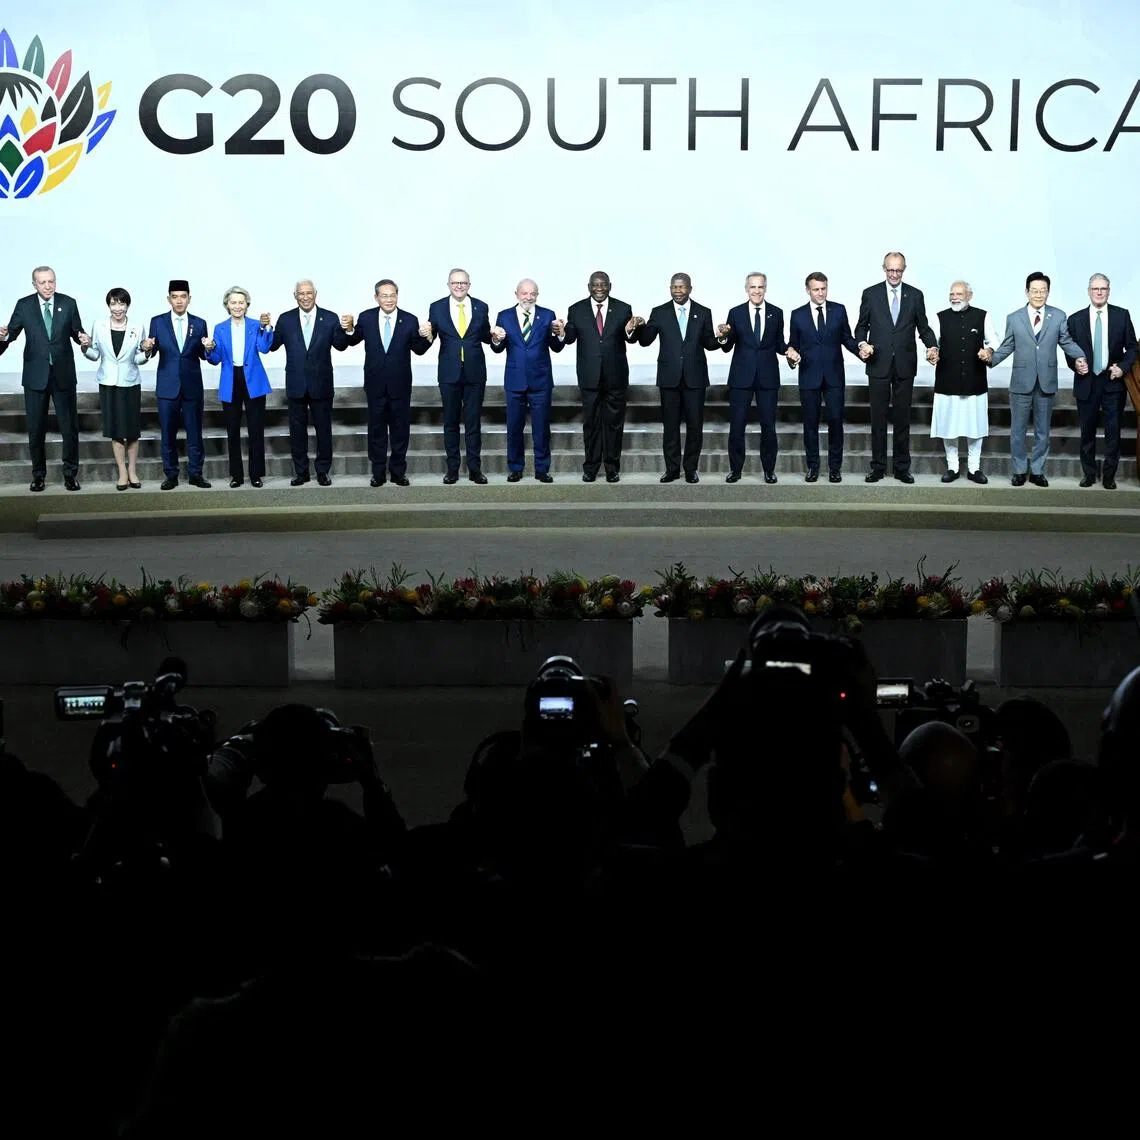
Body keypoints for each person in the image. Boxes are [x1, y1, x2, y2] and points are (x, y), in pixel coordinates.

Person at [988, 272, 1086, 487]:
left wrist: (1080, 356)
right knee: (1018, 431)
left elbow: (1066, 341)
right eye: (1034, 291)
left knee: (1043, 431)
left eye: (1043, 291)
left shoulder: (1059, 316)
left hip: (1046, 382)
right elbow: (1007, 346)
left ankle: (1038, 470)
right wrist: (990, 359)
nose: (1039, 295)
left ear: (1048, 292)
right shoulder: (1014, 318)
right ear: (1026, 292)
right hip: (1021, 382)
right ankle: (1019, 470)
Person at [854, 251, 938, 483]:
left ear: (904, 269)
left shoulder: (915, 295)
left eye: (898, 270)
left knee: (902, 420)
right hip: (878, 364)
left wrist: (932, 346)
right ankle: (878, 467)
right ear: (884, 269)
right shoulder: (870, 294)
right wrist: (862, 344)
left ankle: (902, 468)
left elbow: (924, 327)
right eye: (890, 270)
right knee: (878, 420)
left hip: (904, 365)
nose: (894, 274)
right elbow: (861, 327)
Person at [0, 265, 86, 492]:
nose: (48, 286)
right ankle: (38, 475)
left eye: (51, 281)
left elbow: (77, 333)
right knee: (36, 429)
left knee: (69, 429)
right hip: (35, 376)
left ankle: (70, 475)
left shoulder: (69, 303)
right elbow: (11, 334)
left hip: (63, 375)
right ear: (34, 284)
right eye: (43, 282)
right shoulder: (24, 305)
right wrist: (4, 336)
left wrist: (83, 338)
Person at [638, 272, 726, 483]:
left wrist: (721, 337)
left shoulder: (703, 312)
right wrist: (639, 327)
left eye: (682, 287)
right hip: (669, 378)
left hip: (695, 379)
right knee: (670, 427)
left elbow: (708, 343)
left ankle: (690, 469)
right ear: (670, 289)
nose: (678, 291)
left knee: (695, 426)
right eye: (674, 287)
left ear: (690, 288)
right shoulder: (659, 312)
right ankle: (672, 469)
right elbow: (645, 341)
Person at [344, 279, 432, 486]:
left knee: (400, 430)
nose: (389, 299)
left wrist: (429, 337)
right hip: (375, 385)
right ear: (376, 297)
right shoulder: (366, 318)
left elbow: (418, 349)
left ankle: (398, 472)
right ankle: (378, 472)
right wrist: (348, 329)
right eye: (384, 295)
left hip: (400, 385)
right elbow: (352, 340)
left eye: (392, 295)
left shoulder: (409, 320)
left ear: (397, 296)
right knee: (376, 430)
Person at [562, 271, 641, 483]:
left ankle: (612, 468)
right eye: (595, 285)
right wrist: (561, 332)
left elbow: (630, 339)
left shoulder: (623, 308)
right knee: (591, 425)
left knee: (614, 425)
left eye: (603, 284)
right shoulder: (576, 309)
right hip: (589, 378)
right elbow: (569, 338)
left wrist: (630, 330)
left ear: (610, 286)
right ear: (589, 287)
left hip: (615, 377)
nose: (599, 288)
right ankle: (591, 468)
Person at [270, 280, 349, 487]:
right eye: (301, 293)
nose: (305, 297)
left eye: (309, 293)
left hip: (321, 384)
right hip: (296, 384)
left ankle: (323, 471)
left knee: (324, 430)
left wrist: (347, 330)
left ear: (316, 294)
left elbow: (340, 346)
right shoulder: (285, 319)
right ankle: (301, 472)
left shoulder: (330, 318)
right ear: (294, 295)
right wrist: (265, 328)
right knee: (297, 431)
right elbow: (272, 345)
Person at [717, 272, 794, 484]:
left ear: (765, 288)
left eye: (760, 287)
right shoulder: (736, 313)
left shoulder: (776, 313)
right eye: (753, 287)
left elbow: (779, 343)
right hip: (741, 378)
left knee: (768, 426)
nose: (757, 291)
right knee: (737, 426)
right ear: (746, 289)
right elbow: (728, 346)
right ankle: (735, 470)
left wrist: (789, 350)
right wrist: (723, 336)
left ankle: (769, 470)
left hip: (767, 378)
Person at [1065, 274, 1137, 490]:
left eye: (1103, 289)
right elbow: (1069, 350)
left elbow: (1133, 348)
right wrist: (1075, 364)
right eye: (1095, 288)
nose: (1099, 292)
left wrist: (1122, 367)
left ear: (1109, 291)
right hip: (1086, 382)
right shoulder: (1075, 319)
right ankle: (1088, 474)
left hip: (1112, 381)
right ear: (1088, 291)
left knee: (1112, 432)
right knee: (1087, 431)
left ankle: (1109, 476)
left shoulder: (1121, 316)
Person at [490, 279, 566, 483]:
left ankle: (542, 469)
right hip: (515, 381)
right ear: (516, 294)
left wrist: (561, 335)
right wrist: (496, 339)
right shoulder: (504, 316)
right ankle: (515, 468)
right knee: (514, 428)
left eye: (532, 293)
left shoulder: (548, 315)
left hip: (540, 381)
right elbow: (497, 347)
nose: (528, 297)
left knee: (541, 428)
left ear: (537, 295)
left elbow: (556, 347)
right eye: (524, 293)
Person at [787, 272, 859, 483]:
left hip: (834, 376)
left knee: (836, 421)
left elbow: (847, 338)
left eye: (823, 289)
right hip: (809, 376)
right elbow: (793, 345)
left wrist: (861, 349)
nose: (820, 293)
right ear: (807, 290)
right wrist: (792, 358)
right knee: (810, 424)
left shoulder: (839, 310)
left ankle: (834, 468)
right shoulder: (797, 314)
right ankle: (813, 467)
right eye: (816, 289)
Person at [929, 281, 1001, 484]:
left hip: (974, 381)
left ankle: (974, 468)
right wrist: (931, 352)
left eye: (959, 294)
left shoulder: (983, 316)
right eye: (951, 294)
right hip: (947, 380)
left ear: (970, 295)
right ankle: (952, 467)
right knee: (948, 427)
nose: (954, 297)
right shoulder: (939, 317)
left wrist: (988, 351)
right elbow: (931, 342)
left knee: (975, 427)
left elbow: (994, 340)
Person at [425, 269, 493, 484]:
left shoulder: (481, 306)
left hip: (475, 373)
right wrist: (425, 335)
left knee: (473, 423)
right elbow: (430, 336)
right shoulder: (437, 307)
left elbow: (485, 336)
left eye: (463, 283)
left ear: (469, 285)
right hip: (449, 373)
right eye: (455, 283)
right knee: (451, 423)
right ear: (448, 284)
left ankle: (475, 469)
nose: (459, 286)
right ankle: (452, 469)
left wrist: (495, 337)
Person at [144, 280, 212, 490]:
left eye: (183, 296)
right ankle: (171, 475)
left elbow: (203, 354)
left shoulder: (199, 323)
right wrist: (146, 347)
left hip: (192, 386)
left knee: (195, 433)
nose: (179, 300)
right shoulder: (158, 322)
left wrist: (209, 348)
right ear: (169, 299)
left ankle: (195, 474)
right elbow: (151, 350)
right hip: (167, 386)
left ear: (189, 298)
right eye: (175, 296)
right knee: (168, 434)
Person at [205, 287, 275, 488]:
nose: (237, 306)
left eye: (241, 302)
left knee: (256, 431)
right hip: (231, 380)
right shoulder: (220, 328)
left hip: (253, 380)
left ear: (247, 305)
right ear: (227, 305)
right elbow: (216, 359)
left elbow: (263, 348)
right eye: (233, 302)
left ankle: (255, 474)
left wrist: (267, 328)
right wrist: (209, 349)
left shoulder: (255, 325)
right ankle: (236, 475)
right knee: (232, 431)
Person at [83, 288, 149, 490]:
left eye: (121, 303)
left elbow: (138, 358)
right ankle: (122, 472)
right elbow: (95, 355)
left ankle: (132, 471)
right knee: (116, 431)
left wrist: (147, 352)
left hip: (130, 383)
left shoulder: (137, 327)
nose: (117, 308)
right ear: (109, 305)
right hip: (109, 383)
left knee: (132, 430)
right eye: (113, 303)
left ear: (128, 306)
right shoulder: (99, 325)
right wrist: (85, 346)